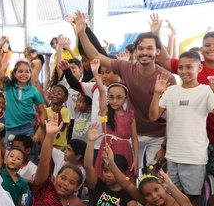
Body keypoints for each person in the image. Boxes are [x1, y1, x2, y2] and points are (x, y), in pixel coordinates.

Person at [72, 11, 175, 169]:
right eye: (140, 48)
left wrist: (164, 146)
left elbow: (173, 115)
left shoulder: (167, 78)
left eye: (149, 48)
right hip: (133, 132)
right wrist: (81, 32)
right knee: (129, 171)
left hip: (159, 135)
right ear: (135, 51)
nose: (144, 52)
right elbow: (95, 55)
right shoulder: (126, 68)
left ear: (157, 52)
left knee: (153, 175)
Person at [149, 51, 214, 203]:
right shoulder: (171, 91)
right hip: (172, 155)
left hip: (194, 156)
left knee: (192, 199)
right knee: (172, 197)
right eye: (181, 67)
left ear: (200, 68)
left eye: (189, 67)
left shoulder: (206, 91)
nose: (184, 71)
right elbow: (153, 116)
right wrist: (157, 93)